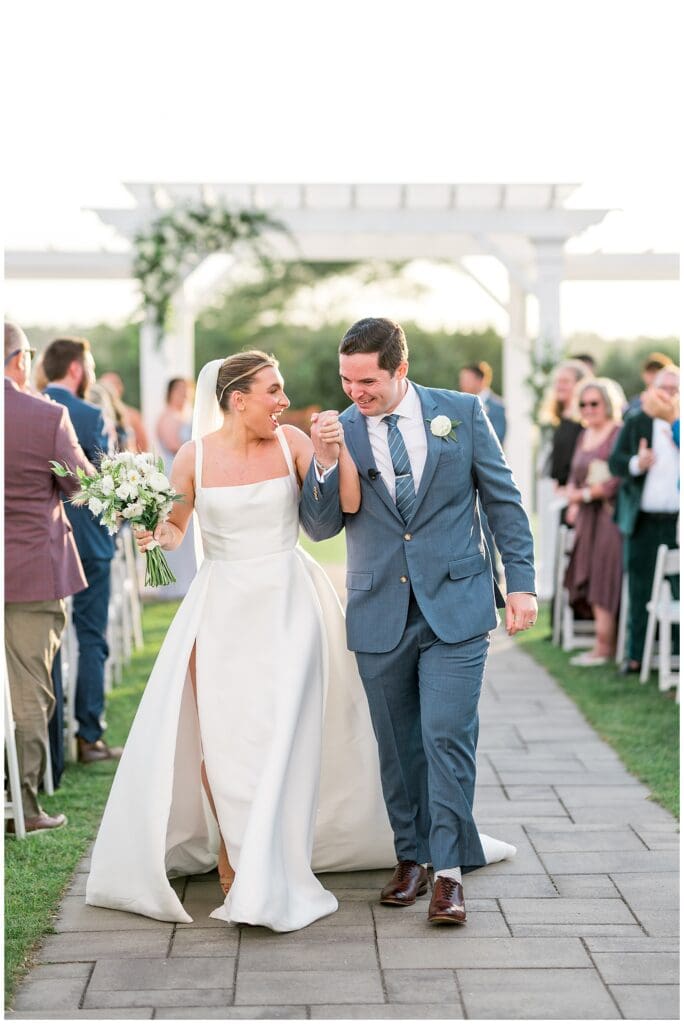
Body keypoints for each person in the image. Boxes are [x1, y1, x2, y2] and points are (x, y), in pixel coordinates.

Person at [85, 351, 515, 932]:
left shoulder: (291, 442)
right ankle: (234, 850)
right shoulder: (193, 457)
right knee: (224, 733)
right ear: (238, 399)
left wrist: (332, 456)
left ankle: (288, 856)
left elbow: (343, 508)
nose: (284, 401)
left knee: (287, 729)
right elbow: (177, 529)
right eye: (273, 391)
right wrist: (152, 529)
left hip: (289, 604)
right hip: (222, 609)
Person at [307, 318, 535, 926]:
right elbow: (323, 525)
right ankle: (410, 857)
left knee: (446, 734)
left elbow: (503, 500)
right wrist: (326, 461)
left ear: (400, 369)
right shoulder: (341, 430)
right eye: (347, 379)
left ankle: (450, 873)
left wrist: (523, 585)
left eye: (369, 380)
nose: (356, 392)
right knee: (398, 744)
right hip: (379, 607)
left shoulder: (459, 412)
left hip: (456, 605)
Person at [4, 322, 93, 832]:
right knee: (29, 691)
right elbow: (80, 485)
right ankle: (26, 805)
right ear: (20, 359)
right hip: (33, 572)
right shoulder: (46, 416)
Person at [42, 337, 121, 764]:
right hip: (89, 542)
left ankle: (50, 740)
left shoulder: (31, 407)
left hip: (44, 545)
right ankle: (89, 737)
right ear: (76, 368)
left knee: (46, 642)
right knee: (90, 637)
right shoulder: (90, 415)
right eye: (87, 365)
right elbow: (103, 481)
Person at [609, 365, 680, 675]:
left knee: (678, 587)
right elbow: (615, 462)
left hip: (677, 522)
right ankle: (636, 655)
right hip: (643, 520)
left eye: (675, 389)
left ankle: (676, 655)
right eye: (664, 388)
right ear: (653, 389)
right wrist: (638, 462)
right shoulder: (637, 421)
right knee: (640, 588)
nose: (669, 394)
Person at [562, 378, 626, 666]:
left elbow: (617, 479)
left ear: (607, 404)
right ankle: (598, 644)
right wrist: (574, 500)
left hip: (610, 516)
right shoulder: (583, 435)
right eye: (583, 404)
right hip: (586, 518)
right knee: (585, 571)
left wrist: (585, 493)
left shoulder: (618, 433)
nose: (588, 409)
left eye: (594, 403)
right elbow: (575, 475)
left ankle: (604, 647)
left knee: (603, 575)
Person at [154, 377, 197, 597]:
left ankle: (191, 578)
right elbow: (172, 444)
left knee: (190, 531)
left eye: (187, 390)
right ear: (170, 392)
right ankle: (176, 584)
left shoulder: (187, 416)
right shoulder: (167, 416)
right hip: (175, 474)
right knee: (177, 525)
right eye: (180, 390)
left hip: (191, 473)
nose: (184, 395)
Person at [99, 371, 149, 452]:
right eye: (104, 385)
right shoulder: (96, 415)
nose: (108, 390)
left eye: (112, 385)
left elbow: (143, 445)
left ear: (120, 388)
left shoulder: (133, 415)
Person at [458, 361, 506, 443]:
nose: (462, 383)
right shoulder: (460, 403)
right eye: (461, 380)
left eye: (467, 380)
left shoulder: (497, 406)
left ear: (480, 380)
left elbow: (497, 437)